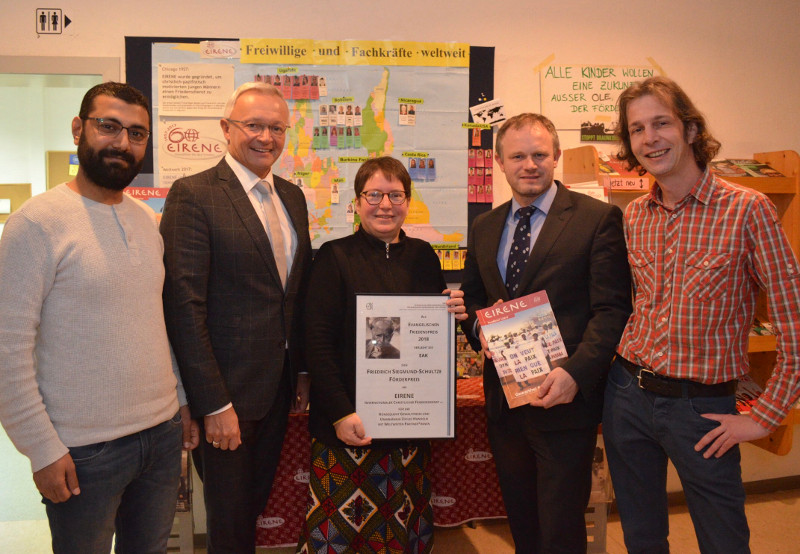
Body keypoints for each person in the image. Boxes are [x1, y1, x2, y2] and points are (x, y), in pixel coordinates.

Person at [603, 76, 800, 553]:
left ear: (691, 130)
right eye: (636, 129)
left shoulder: (748, 211)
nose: (649, 138)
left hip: (702, 409)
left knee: (724, 540)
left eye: (661, 123)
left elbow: (796, 326)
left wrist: (765, 417)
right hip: (627, 396)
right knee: (642, 536)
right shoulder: (635, 216)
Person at [0, 82, 199, 553]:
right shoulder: (35, 224)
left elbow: (158, 323)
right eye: (108, 126)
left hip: (162, 437)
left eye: (136, 133)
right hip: (84, 452)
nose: (122, 142)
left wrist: (182, 399)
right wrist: (42, 449)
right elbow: (8, 348)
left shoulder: (146, 222)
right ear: (78, 129)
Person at [459, 113, 631, 552]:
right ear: (500, 162)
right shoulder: (484, 227)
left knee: (560, 529)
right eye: (517, 156)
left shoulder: (597, 219)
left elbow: (611, 311)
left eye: (539, 154)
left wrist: (576, 373)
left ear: (555, 156)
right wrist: (482, 325)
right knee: (522, 521)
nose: (529, 165)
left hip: (564, 400)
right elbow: (474, 303)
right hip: (506, 401)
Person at [161, 81, 312, 553]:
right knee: (228, 525)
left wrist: (301, 372)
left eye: (276, 128)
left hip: (278, 389)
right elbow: (184, 305)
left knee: (251, 510)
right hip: (225, 398)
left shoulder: (292, 197)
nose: (266, 137)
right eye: (254, 125)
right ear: (226, 129)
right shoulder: (194, 194)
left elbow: (293, 295)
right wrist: (212, 404)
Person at [295, 157, 467, 553]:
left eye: (395, 195)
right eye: (374, 194)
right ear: (356, 202)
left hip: (407, 427)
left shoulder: (424, 256)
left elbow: (428, 339)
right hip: (349, 426)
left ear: (408, 202)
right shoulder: (333, 257)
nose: (385, 204)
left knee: (401, 533)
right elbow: (316, 342)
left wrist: (453, 313)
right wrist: (340, 412)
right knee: (340, 539)